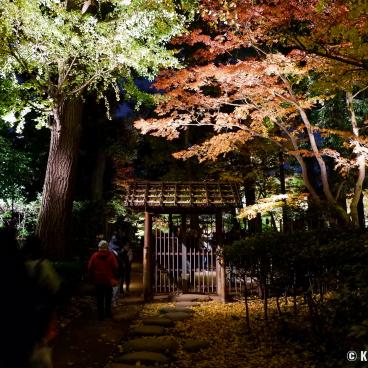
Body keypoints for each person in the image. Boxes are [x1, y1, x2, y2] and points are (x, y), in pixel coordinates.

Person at [22, 234, 62, 368]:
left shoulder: (18, 264)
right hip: (40, 312)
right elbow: (55, 287)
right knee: (41, 347)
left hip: (21, 312)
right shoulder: (43, 266)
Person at [88, 240, 119, 320]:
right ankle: (108, 314)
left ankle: (100, 315)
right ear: (107, 247)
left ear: (99, 247)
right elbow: (115, 267)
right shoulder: (111, 256)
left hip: (98, 281)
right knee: (108, 298)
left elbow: (90, 267)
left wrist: (92, 277)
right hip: (108, 280)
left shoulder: (94, 256)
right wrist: (114, 277)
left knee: (99, 299)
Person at [108, 232, 125, 305]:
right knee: (115, 287)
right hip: (115, 271)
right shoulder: (114, 251)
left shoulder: (112, 250)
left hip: (117, 271)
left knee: (117, 286)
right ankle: (114, 301)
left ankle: (115, 300)